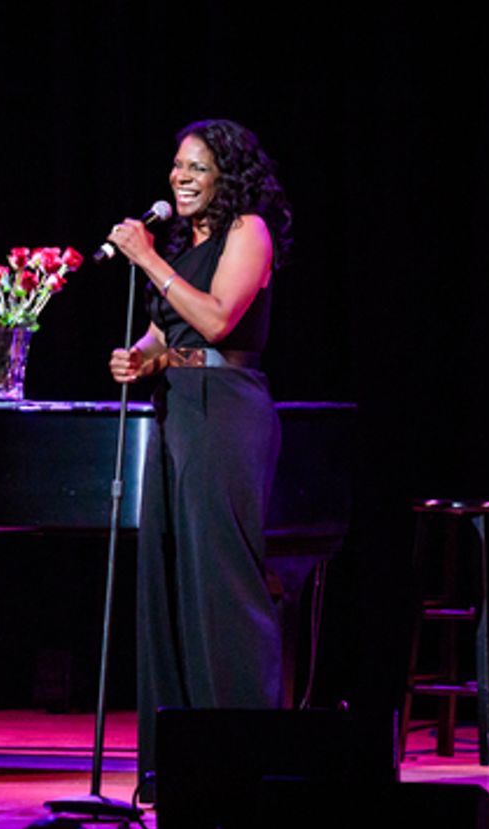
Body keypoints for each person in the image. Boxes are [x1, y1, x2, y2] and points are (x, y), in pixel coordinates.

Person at [105, 119, 294, 791]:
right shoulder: (188, 247)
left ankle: (245, 766)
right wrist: (139, 357)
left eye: (196, 167)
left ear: (226, 175)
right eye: (177, 165)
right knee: (169, 585)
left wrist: (147, 259)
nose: (179, 178)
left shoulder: (249, 231)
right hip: (177, 409)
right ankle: (178, 769)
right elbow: (166, 333)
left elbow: (217, 319)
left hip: (226, 409)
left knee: (222, 587)